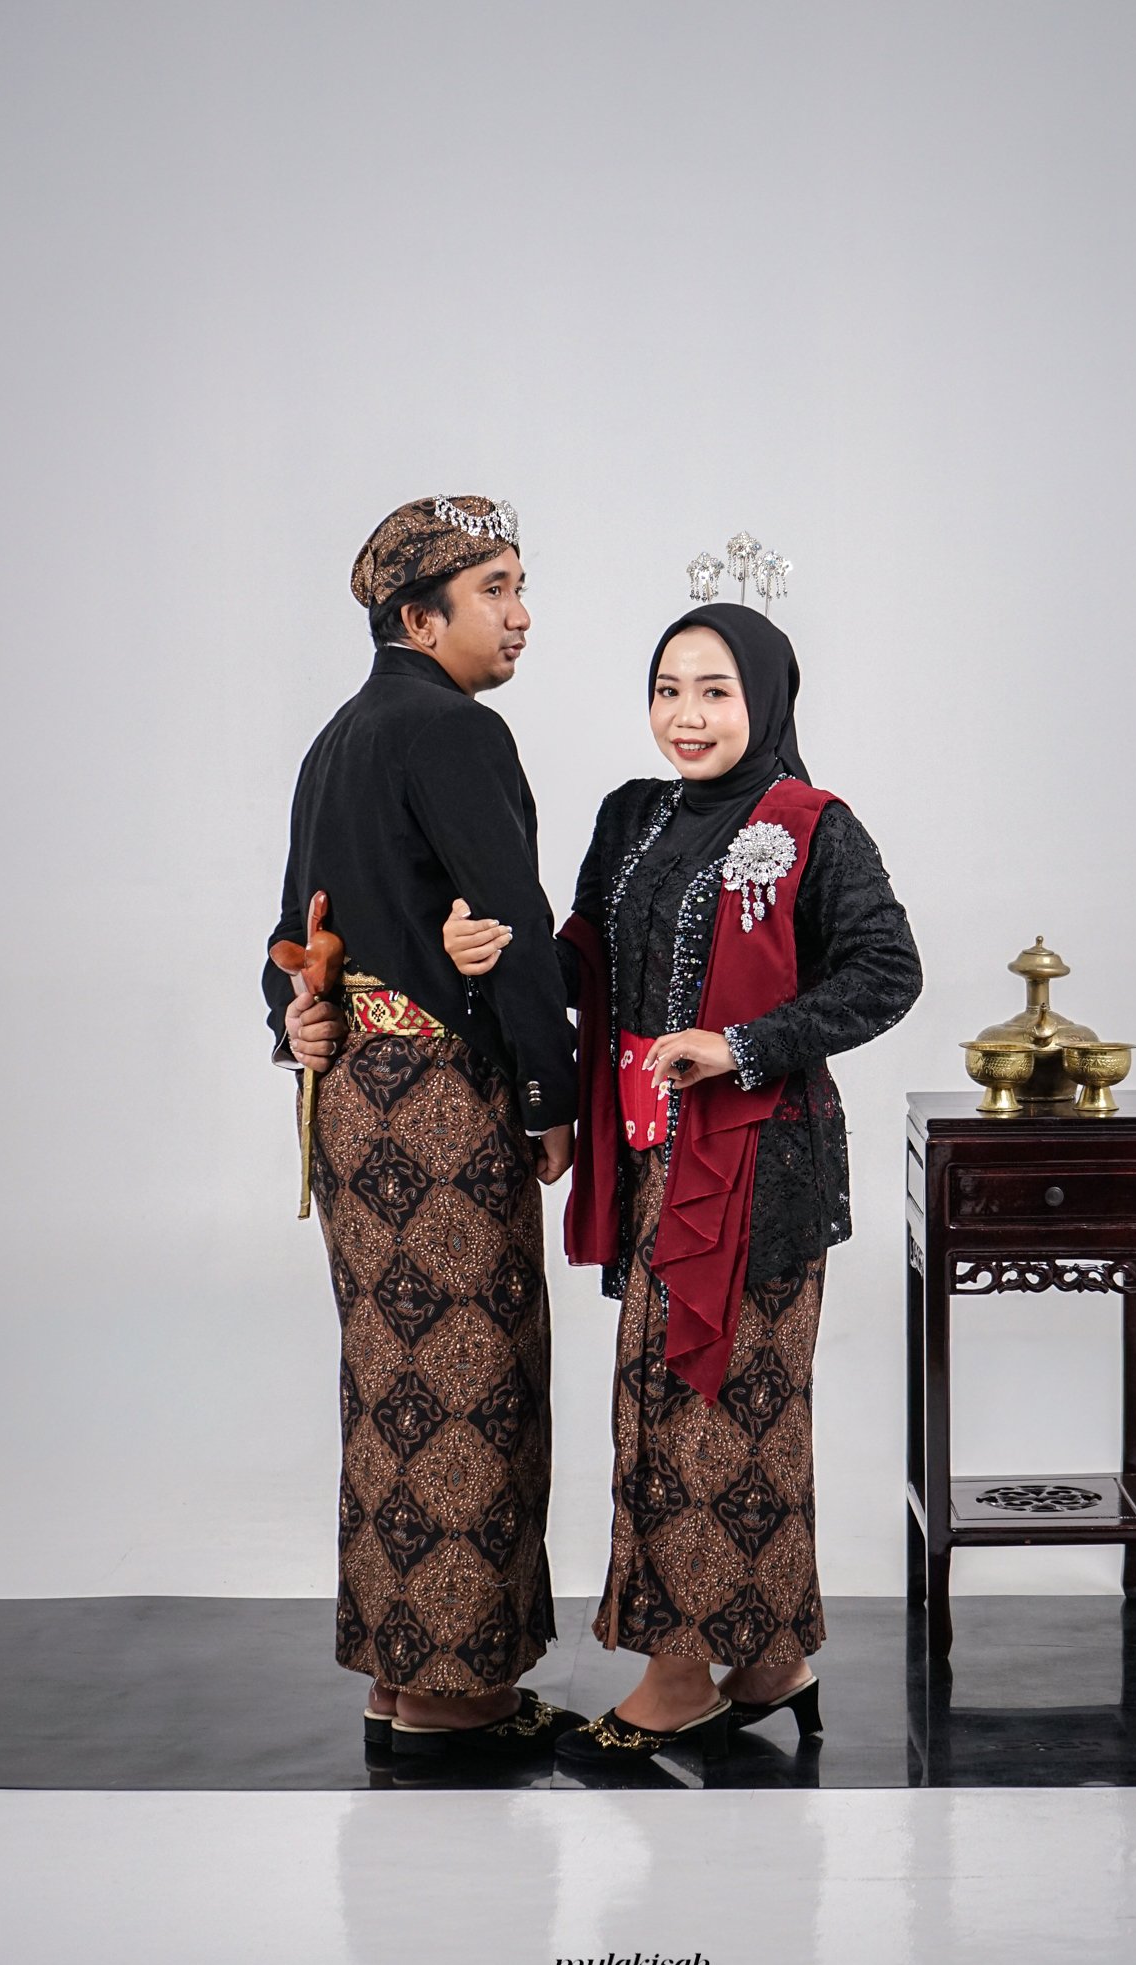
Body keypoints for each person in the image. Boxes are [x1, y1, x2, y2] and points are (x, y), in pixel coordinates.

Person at [445, 600, 921, 1765]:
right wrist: (498, 951)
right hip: (653, 1155)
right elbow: (588, 957)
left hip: (762, 1164)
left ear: (766, 698)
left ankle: (677, 1678)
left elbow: (887, 970)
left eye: (714, 690)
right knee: (675, 1408)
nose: (686, 715)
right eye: (667, 689)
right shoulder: (632, 814)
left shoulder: (811, 824)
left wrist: (742, 1044)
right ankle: (766, 1660)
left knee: (719, 1416)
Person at [264, 493, 583, 1760]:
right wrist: (552, 1096)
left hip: (353, 1105)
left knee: (393, 1385)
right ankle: (460, 1699)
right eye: (495, 588)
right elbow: (514, 922)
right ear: (418, 617)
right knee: (470, 1384)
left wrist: (298, 1019)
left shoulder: (339, 737)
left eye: (519, 584)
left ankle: (401, 1680)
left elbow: (291, 933)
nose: (520, 613)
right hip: (444, 1106)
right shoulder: (455, 730)